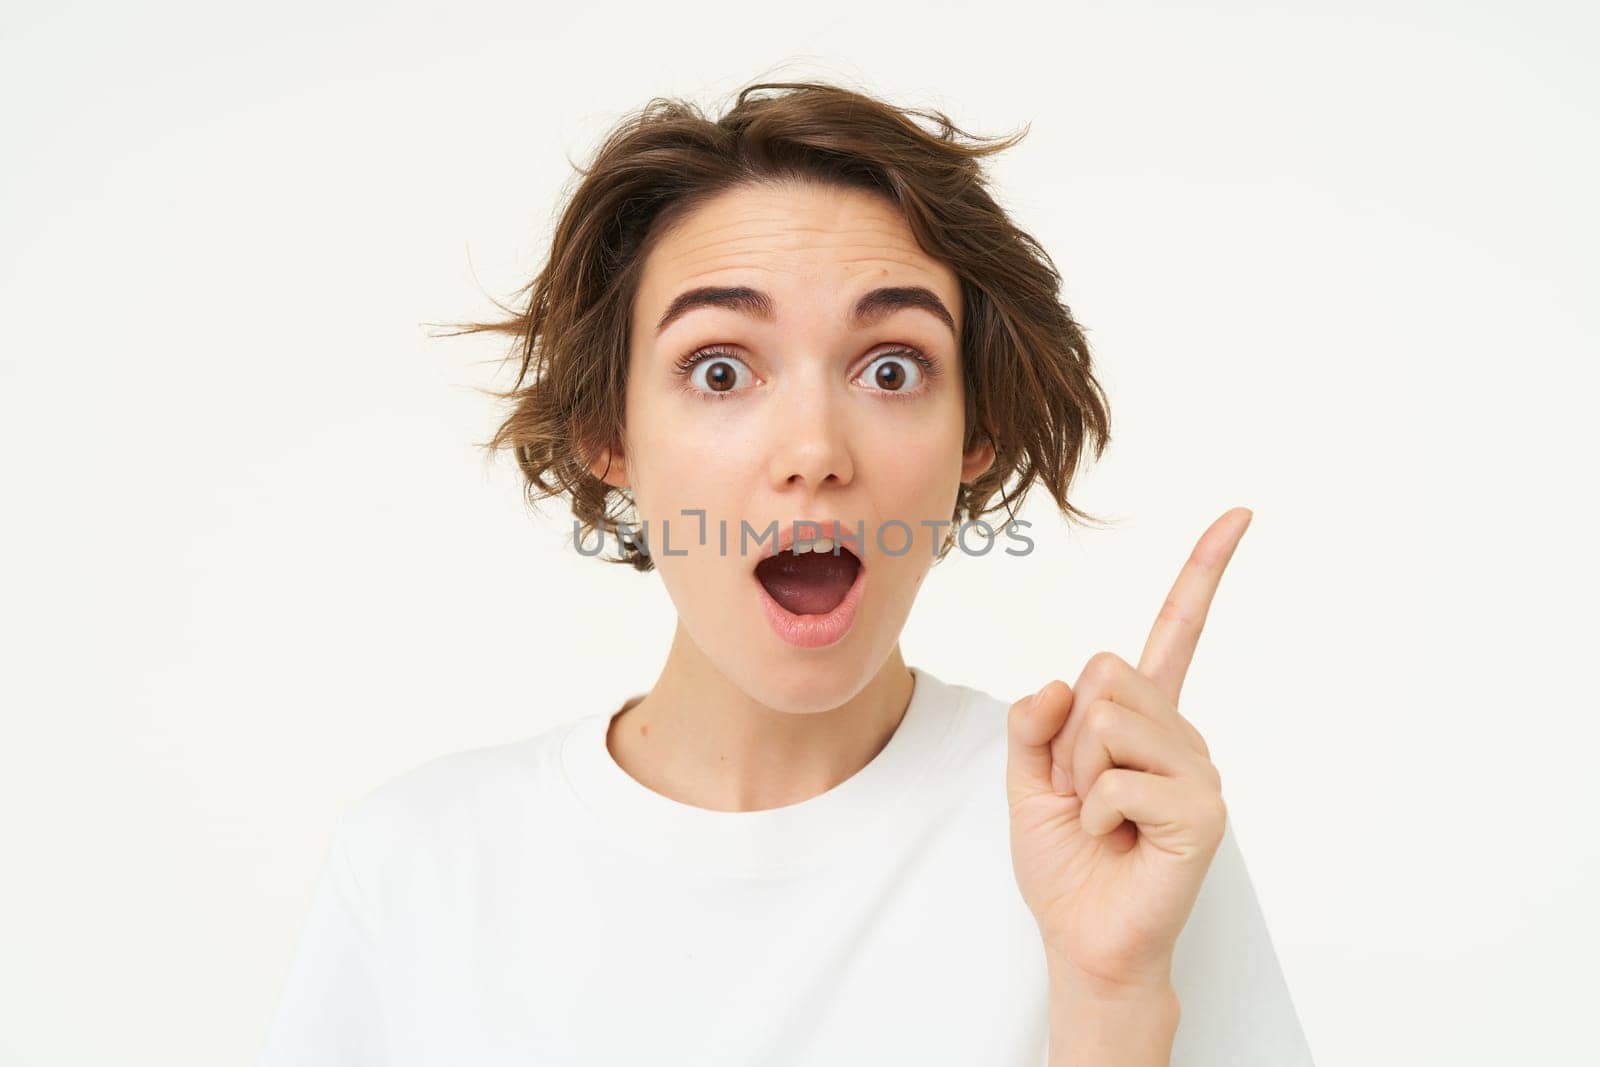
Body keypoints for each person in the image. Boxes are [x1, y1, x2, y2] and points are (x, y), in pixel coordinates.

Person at [258, 79, 1314, 1066]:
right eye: (720, 369)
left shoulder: (1117, 830)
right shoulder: (420, 867)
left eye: (891, 368)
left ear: (974, 434)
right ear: (605, 432)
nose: (814, 446)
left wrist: (1110, 995)